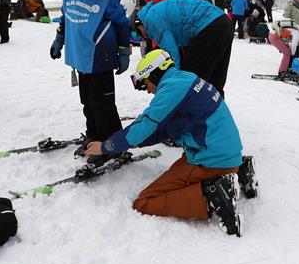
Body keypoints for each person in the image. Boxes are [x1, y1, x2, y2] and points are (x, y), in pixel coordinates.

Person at [83, 49, 251, 237]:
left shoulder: (172, 89)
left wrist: (106, 146)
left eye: (146, 83)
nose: (148, 90)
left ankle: (213, 195)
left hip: (212, 160)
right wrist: (132, 143)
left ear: (155, 73)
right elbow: (165, 129)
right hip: (227, 154)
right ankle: (238, 170)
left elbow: (146, 124)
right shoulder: (185, 79)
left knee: (144, 202)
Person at [50, 0, 131, 167]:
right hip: (80, 56)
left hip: (101, 58)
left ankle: (111, 144)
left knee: (103, 105)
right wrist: (60, 39)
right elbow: (66, 18)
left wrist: (124, 51)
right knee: (87, 102)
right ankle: (94, 136)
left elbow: (123, 24)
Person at [136, 0, 232, 97]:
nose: (143, 37)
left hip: (206, 27)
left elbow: (172, 54)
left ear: (139, 23)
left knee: (192, 80)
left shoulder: (151, 20)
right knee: (216, 78)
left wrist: (175, 82)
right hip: (222, 20)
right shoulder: (156, 10)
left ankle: (192, 108)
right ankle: (217, 109)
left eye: (139, 33)